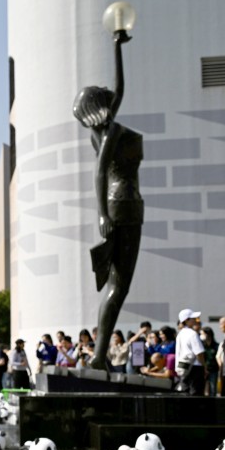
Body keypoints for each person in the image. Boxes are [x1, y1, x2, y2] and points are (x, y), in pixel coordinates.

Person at [75, 27, 144, 371]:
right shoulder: (111, 132)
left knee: (118, 285)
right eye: (102, 94)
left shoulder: (103, 128)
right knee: (119, 286)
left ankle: (100, 355)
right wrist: (102, 214)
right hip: (124, 206)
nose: (109, 94)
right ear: (98, 106)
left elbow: (120, 89)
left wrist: (118, 49)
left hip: (126, 205)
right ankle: (100, 355)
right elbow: (101, 173)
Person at [175, 309, 206, 396]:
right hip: (196, 367)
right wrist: (204, 367)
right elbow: (199, 353)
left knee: (186, 392)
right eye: (193, 318)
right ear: (186, 320)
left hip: (184, 366)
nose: (195, 320)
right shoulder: (193, 334)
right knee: (196, 394)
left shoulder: (180, 334)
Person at [200, 326, 219, 396]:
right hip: (204, 370)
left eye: (203, 334)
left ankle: (213, 404)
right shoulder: (201, 346)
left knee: (213, 389)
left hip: (213, 370)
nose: (201, 336)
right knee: (203, 390)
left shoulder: (216, 346)